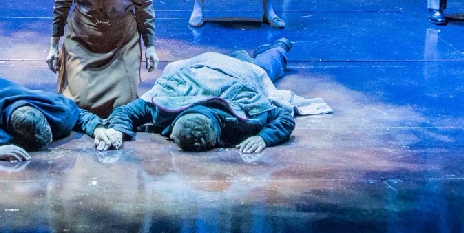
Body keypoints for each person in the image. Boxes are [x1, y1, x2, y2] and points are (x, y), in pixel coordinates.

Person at [94, 41, 328, 154]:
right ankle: (244, 53)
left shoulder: (243, 116)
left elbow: (283, 116)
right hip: (201, 66)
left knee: (265, 68)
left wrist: (264, 137)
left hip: (236, 73)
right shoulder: (164, 103)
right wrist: (119, 130)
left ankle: (279, 47)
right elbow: (125, 112)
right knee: (249, 62)